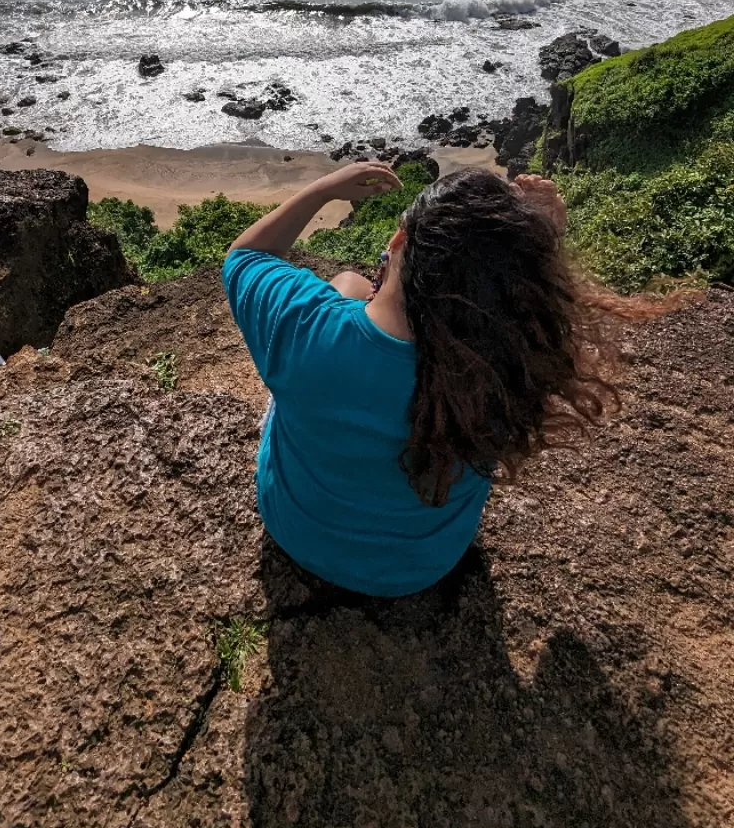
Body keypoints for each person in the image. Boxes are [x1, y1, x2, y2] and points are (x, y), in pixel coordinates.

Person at [222, 161, 631, 598]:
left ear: (399, 237)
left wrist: (323, 189)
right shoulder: (513, 363)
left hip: (297, 532)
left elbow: (245, 255)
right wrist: (538, 241)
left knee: (346, 285)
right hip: (422, 565)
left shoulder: (305, 326)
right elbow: (529, 307)